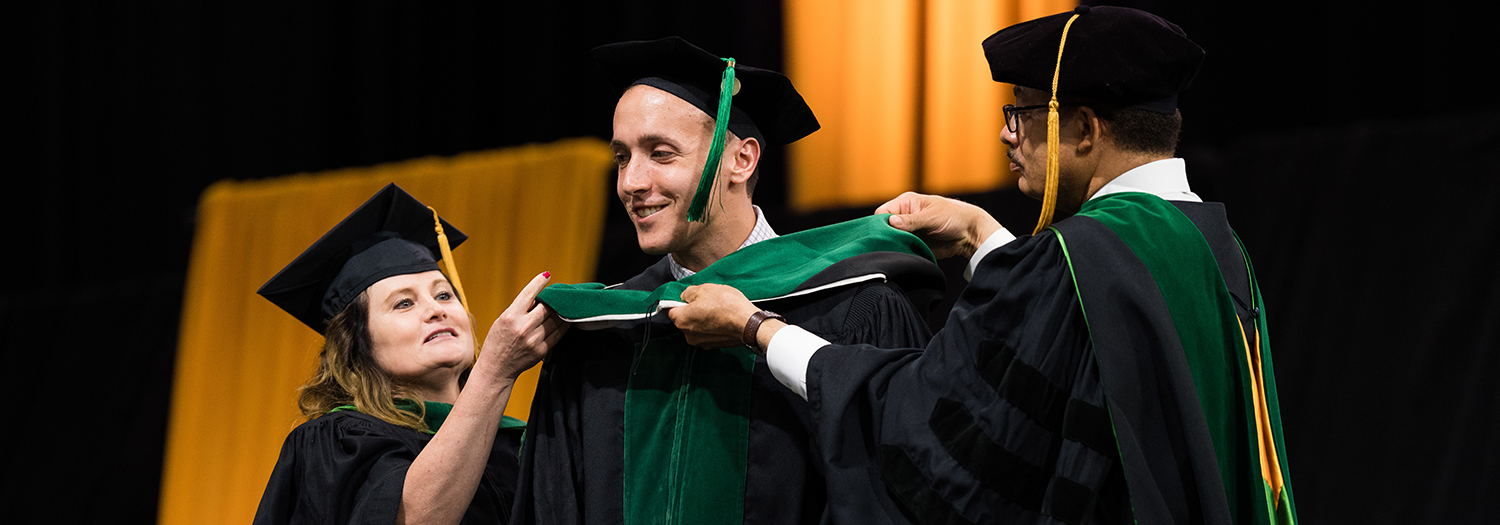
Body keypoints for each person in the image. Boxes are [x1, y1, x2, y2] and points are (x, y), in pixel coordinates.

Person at [669, 6, 1297, 525]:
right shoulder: (1211, 247)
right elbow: (1073, 325)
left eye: (1020, 113)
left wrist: (756, 328)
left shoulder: (1087, 252)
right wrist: (978, 232)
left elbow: (923, 419)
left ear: (1082, 128)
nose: (1007, 136)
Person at [510, 37, 946, 525]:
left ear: (741, 160)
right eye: (621, 157)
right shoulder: (607, 330)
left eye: (661, 153)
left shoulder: (852, 307)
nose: (631, 181)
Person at [251, 183, 568, 525]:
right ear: (356, 344)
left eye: (444, 295)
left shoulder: (519, 443)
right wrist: (493, 372)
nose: (436, 310)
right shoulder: (337, 444)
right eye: (404, 303)